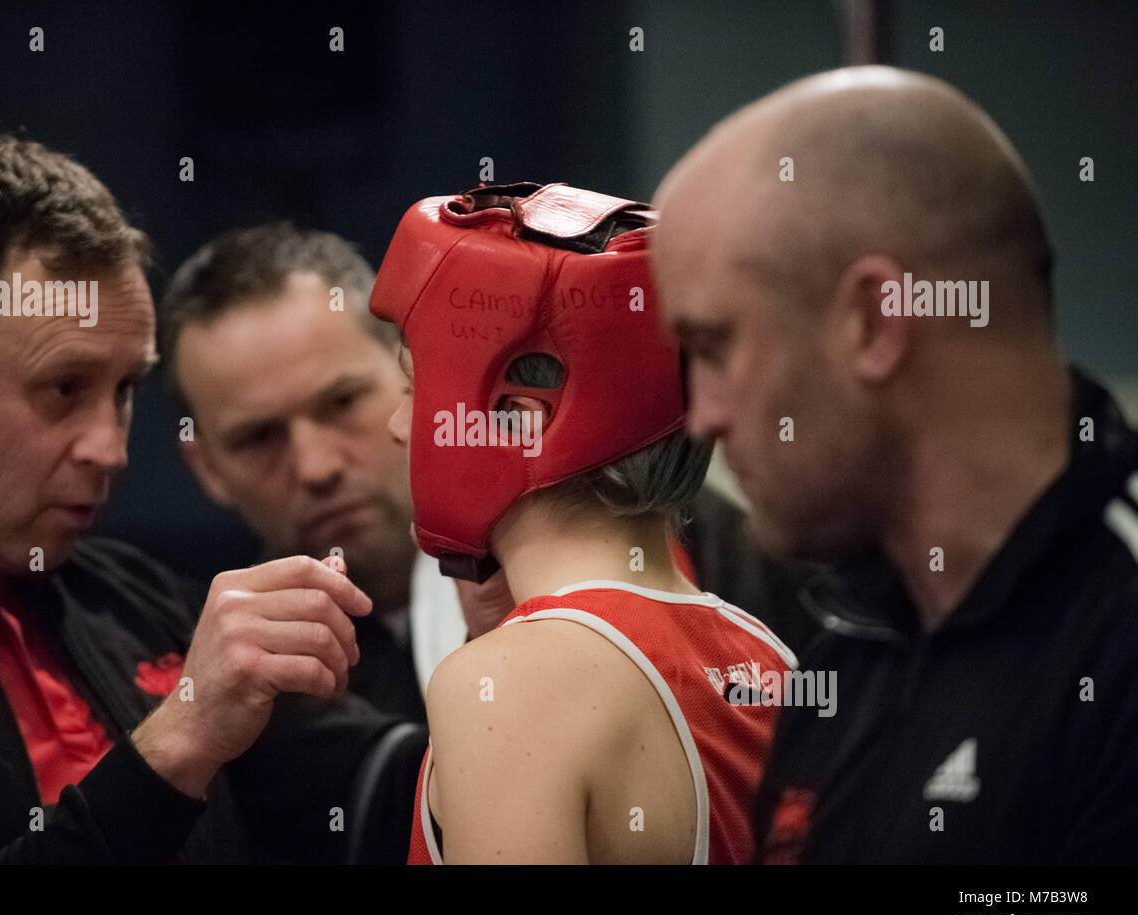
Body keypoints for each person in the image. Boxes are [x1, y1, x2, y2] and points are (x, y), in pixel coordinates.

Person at [0, 134, 381, 863]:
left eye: (124, 390)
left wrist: (533, 642)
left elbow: (385, 787)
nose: (111, 449)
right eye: (63, 388)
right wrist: (174, 745)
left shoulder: (136, 596)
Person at [652, 66, 1138, 862]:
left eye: (716, 346)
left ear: (877, 322)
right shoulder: (845, 656)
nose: (701, 415)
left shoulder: (1114, 629)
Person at [372, 181, 797, 864]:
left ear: (517, 418)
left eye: (415, 390)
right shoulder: (768, 657)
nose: (398, 428)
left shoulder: (506, 684)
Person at [161, 222, 466, 723]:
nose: (316, 467)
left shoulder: (561, 591)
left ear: (417, 373)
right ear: (207, 468)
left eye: (342, 402)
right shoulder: (216, 708)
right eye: (258, 439)